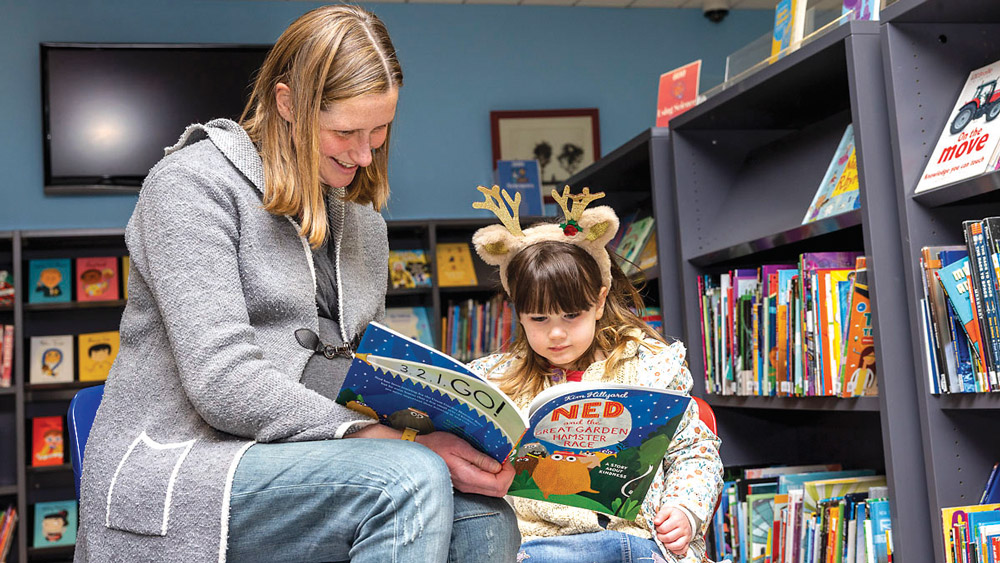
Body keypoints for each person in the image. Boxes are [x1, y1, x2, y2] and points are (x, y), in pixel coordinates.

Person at [74, 6, 518, 563]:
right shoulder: (189, 186)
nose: (364, 154)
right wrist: (393, 443)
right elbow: (224, 381)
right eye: (345, 132)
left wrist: (437, 427)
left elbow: (348, 370)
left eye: (379, 132)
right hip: (184, 468)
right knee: (405, 478)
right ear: (287, 104)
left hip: (299, 453)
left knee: (485, 514)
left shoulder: (362, 222)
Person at [468, 186, 723, 562]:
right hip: (535, 546)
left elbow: (695, 452)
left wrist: (684, 510)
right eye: (539, 319)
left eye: (572, 316)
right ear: (518, 312)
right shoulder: (495, 382)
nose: (556, 333)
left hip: (636, 540)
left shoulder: (649, 368)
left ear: (600, 301)